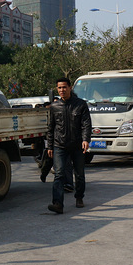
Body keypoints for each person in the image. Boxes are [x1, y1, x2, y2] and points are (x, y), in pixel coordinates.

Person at [46, 77, 92, 213]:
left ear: (70, 87)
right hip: (59, 145)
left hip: (77, 145)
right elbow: (51, 128)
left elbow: (86, 124)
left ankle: (79, 197)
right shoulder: (54, 107)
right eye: (59, 88)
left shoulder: (80, 104)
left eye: (64, 87)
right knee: (59, 174)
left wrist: (85, 139)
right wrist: (49, 146)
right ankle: (58, 204)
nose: (62, 90)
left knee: (79, 174)